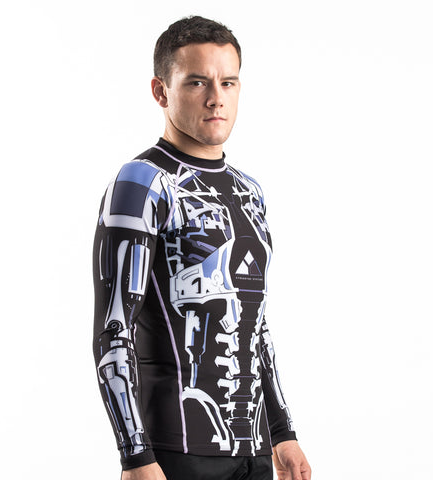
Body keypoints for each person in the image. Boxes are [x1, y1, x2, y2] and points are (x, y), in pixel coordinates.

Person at [92, 15, 311, 480]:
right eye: (197, 82)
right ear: (161, 91)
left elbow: (255, 326)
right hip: (174, 451)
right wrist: (136, 456)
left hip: (254, 452)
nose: (216, 98)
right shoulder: (142, 183)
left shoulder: (249, 192)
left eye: (228, 82)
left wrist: (282, 431)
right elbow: (114, 330)